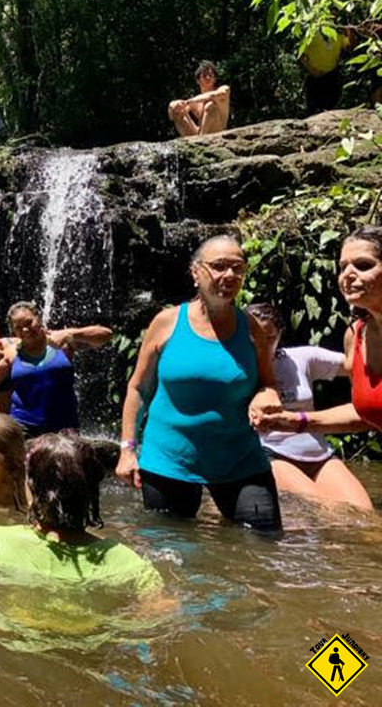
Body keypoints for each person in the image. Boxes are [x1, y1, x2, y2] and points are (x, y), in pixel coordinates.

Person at [115, 234, 284, 531]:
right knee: (171, 554)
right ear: (195, 272)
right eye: (219, 266)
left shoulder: (252, 328)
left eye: (237, 267)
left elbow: (268, 383)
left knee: (263, 545)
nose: (229, 275)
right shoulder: (166, 322)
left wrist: (265, 396)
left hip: (240, 461)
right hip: (169, 460)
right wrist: (127, 449)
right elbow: (138, 388)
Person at [0, 432, 164, 595]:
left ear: (32, 487)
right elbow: (160, 611)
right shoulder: (128, 563)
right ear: (92, 491)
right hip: (88, 646)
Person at [256, 226, 382, 439]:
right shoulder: (356, 336)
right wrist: (296, 420)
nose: (348, 275)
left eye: (363, 265)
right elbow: (367, 413)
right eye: (343, 267)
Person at [245, 303, 371, 510]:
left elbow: (352, 365)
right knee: (329, 512)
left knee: (364, 514)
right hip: (272, 452)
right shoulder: (233, 370)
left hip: (318, 453)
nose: (262, 346)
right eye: (253, 339)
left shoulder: (300, 358)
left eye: (269, 339)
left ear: (279, 336)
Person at [0, 301, 112, 437]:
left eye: (29, 323)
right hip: (23, 425)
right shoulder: (11, 353)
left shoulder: (62, 342)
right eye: (18, 327)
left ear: (39, 318)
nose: (25, 330)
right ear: (13, 331)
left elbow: (106, 335)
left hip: (64, 425)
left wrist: (72, 334)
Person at [167, 61, 231, 137]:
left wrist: (190, 101)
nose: (208, 78)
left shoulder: (224, 89)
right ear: (198, 80)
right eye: (204, 76)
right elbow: (172, 116)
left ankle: (202, 140)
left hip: (217, 133)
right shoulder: (195, 103)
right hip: (199, 133)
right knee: (175, 107)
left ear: (215, 79)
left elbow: (215, 95)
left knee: (210, 105)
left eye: (210, 75)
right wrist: (174, 106)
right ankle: (193, 141)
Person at [300, 29, 351, 114]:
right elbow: (301, 55)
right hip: (314, 78)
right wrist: (313, 71)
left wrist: (350, 30)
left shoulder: (337, 33)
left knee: (330, 110)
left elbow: (348, 46)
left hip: (332, 77)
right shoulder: (311, 32)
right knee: (314, 111)